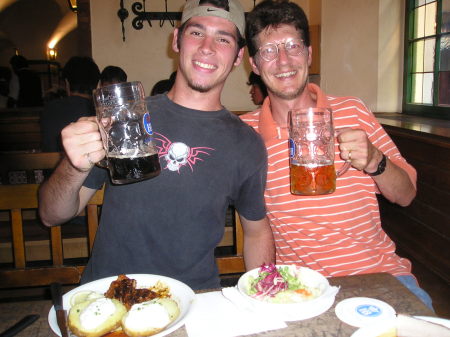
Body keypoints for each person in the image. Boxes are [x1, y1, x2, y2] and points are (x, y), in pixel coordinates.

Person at [39, 0, 275, 290]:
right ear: (177, 40)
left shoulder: (246, 144)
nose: (207, 48)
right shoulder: (125, 117)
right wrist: (74, 165)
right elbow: (52, 215)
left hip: (193, 299)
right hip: (111, 293)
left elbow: (256, 232)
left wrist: (266, 294)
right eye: (197, 33)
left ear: (239, 56)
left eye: (223, 39)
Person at [241, 0, 433, 309]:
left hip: (379, 276)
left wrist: (375, 161)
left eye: (293, 46)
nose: (283, 60)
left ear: (309, 54)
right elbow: (254, 229)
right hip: (302, 288)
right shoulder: (244, 134)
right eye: (268, 51)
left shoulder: (353, 110)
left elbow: (406, 194)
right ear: (254, 64)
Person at [40, 56, 100, 152]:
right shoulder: (102, 110)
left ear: (67, 83)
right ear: (97, 85)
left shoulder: (50, 108)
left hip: (54, 164)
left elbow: (48, 148)